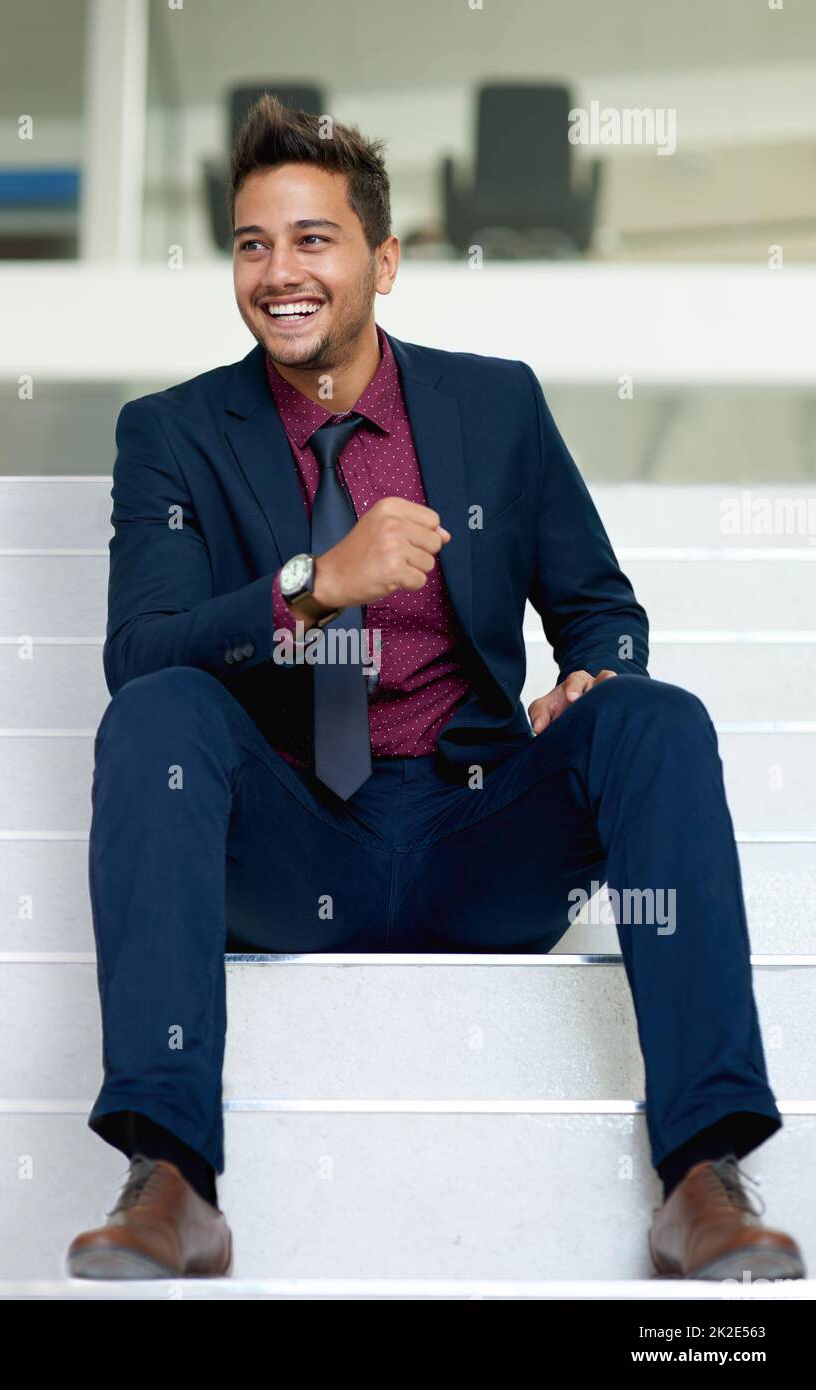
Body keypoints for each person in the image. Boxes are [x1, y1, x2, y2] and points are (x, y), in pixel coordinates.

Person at [65, 95, 804, 1283]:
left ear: (383, 260)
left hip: (477, 833)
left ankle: (701, 1176)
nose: (278, 271)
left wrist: (590, 679)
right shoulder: (172, 433)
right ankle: (172, 1178)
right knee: (159, 711)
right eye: (253, 244)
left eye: (313, 238)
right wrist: (311, 586)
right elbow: (139, 656)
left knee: (655, 719)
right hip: (294, 838)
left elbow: (599, 609)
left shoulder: (493, 405)